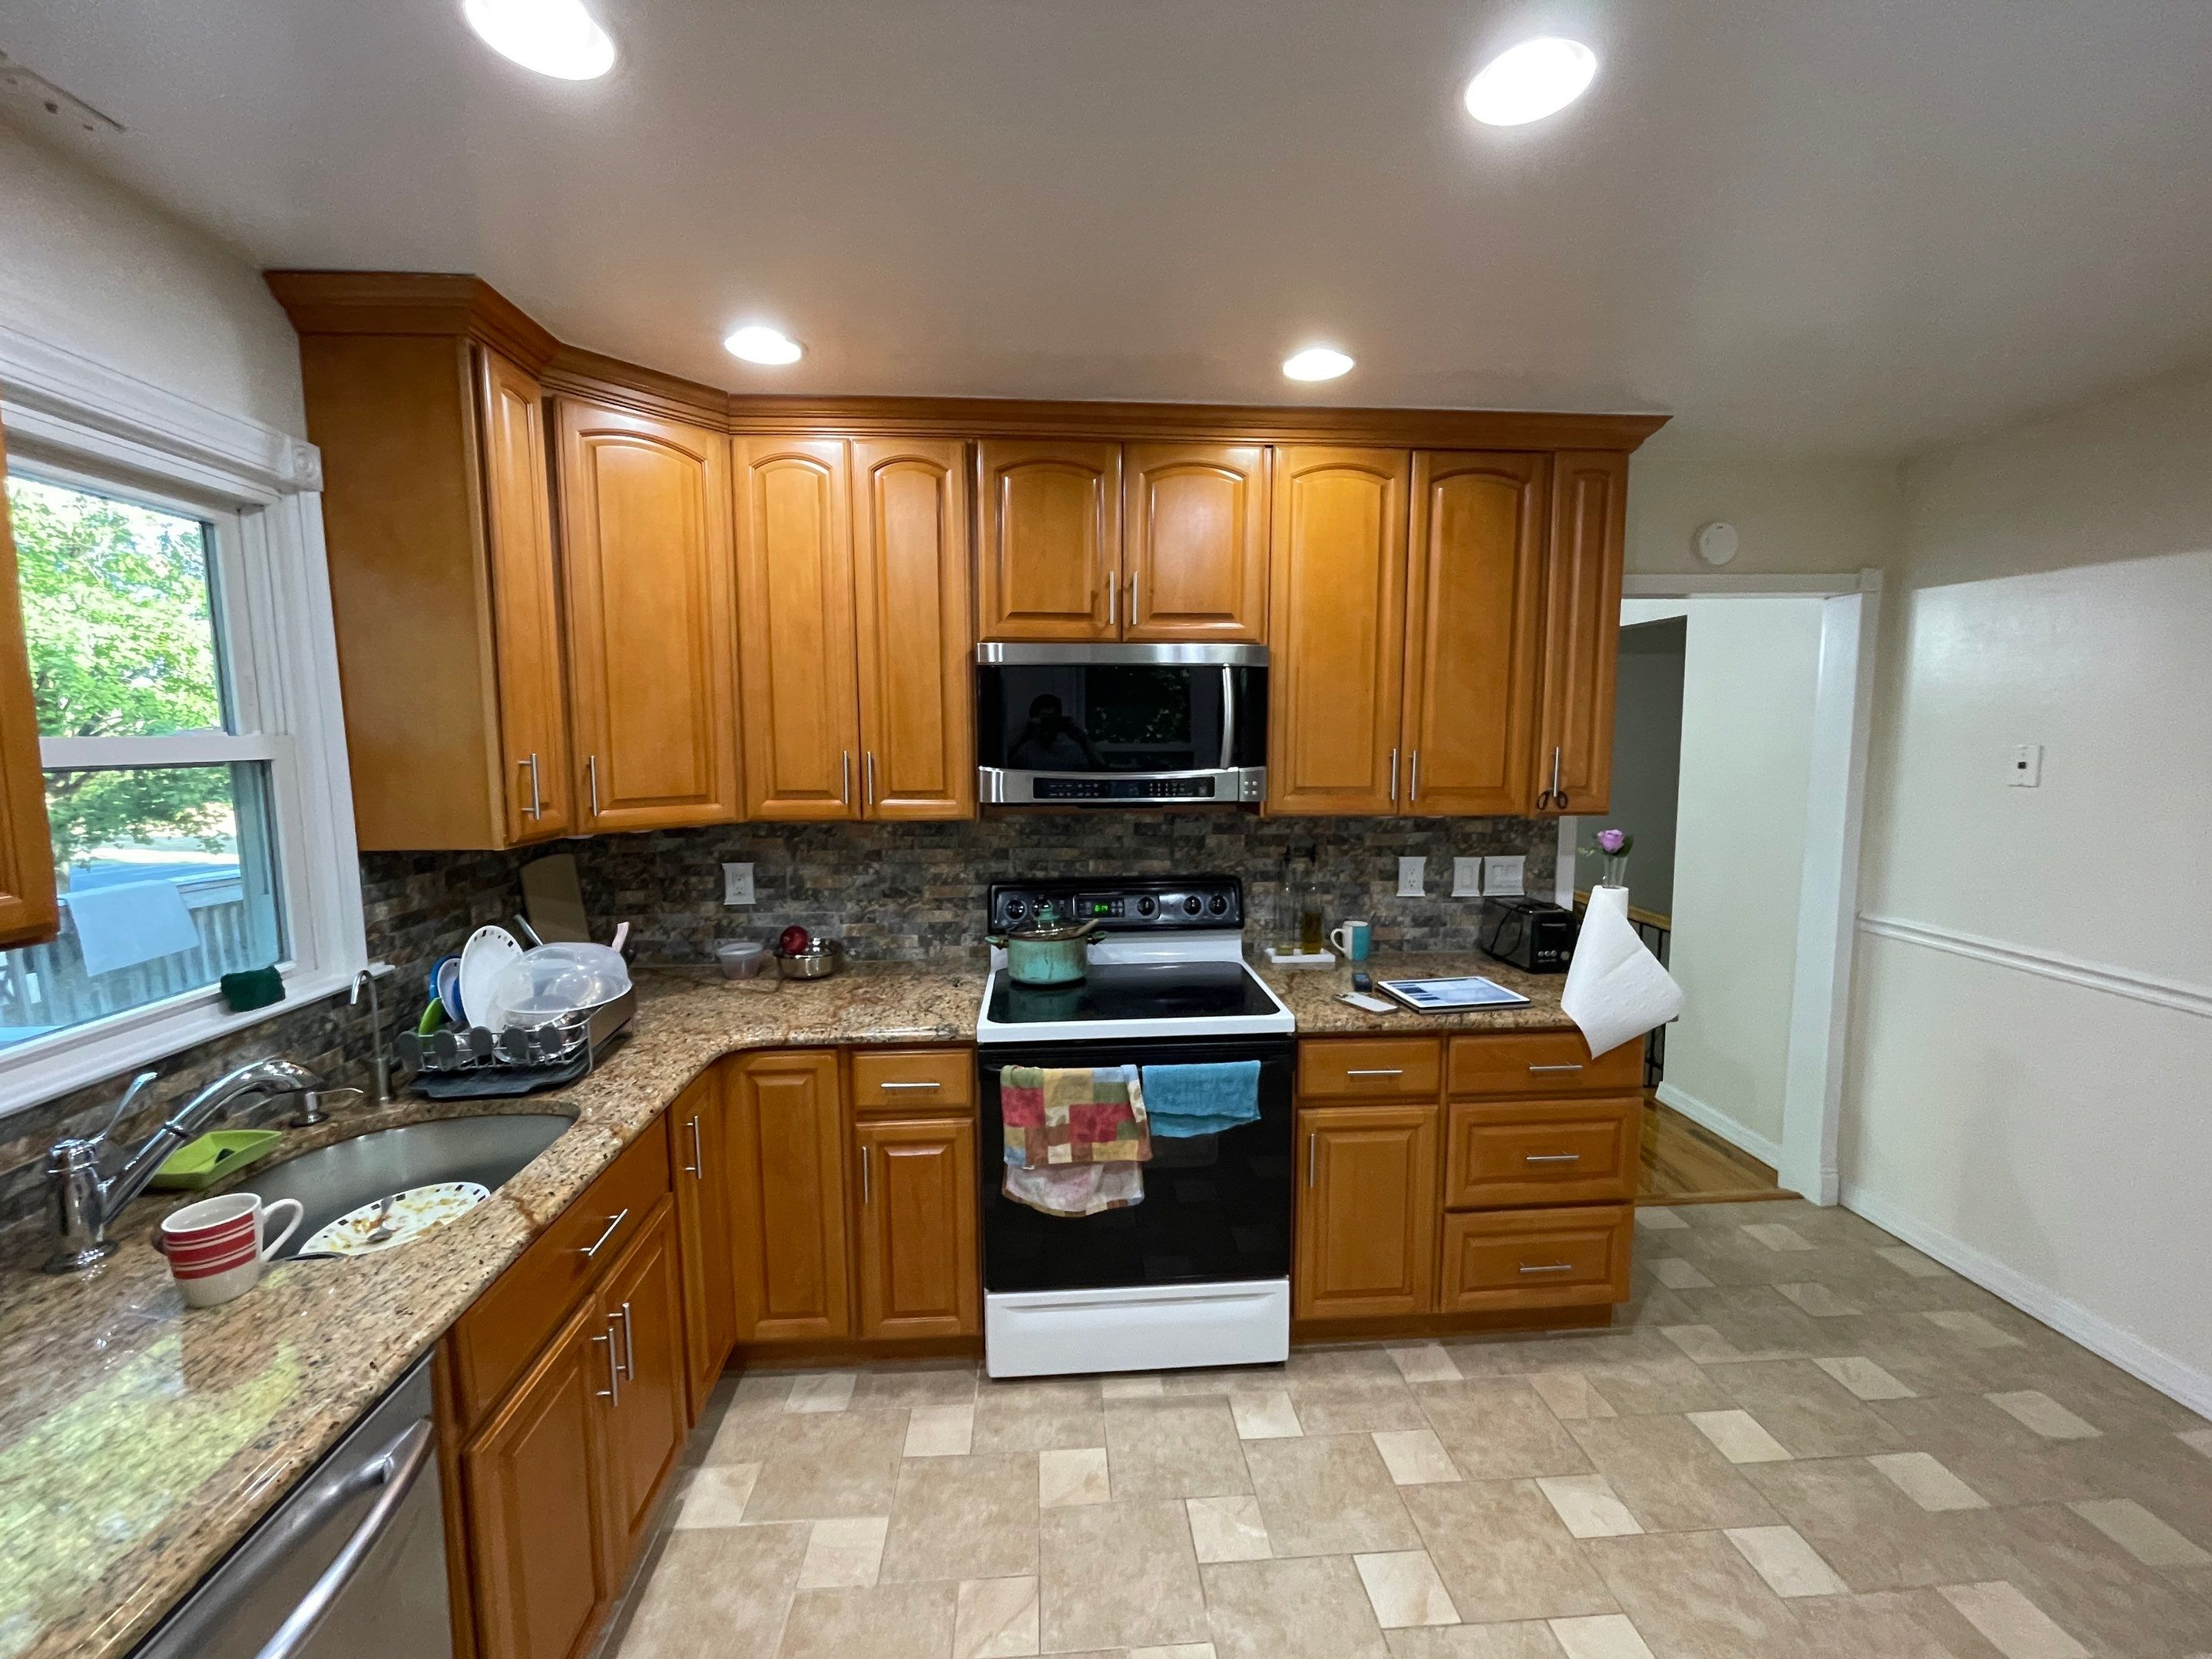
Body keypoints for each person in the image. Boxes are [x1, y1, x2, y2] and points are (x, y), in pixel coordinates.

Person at [1008, 694, 1104, 770]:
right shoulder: (1025, 749)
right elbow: (1008, 768)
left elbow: (1099, 768)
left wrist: (1083, 740)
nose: (1048, 724)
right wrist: (1027, 733)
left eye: (1052, 719)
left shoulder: (1072, 748)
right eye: (1044, 718)